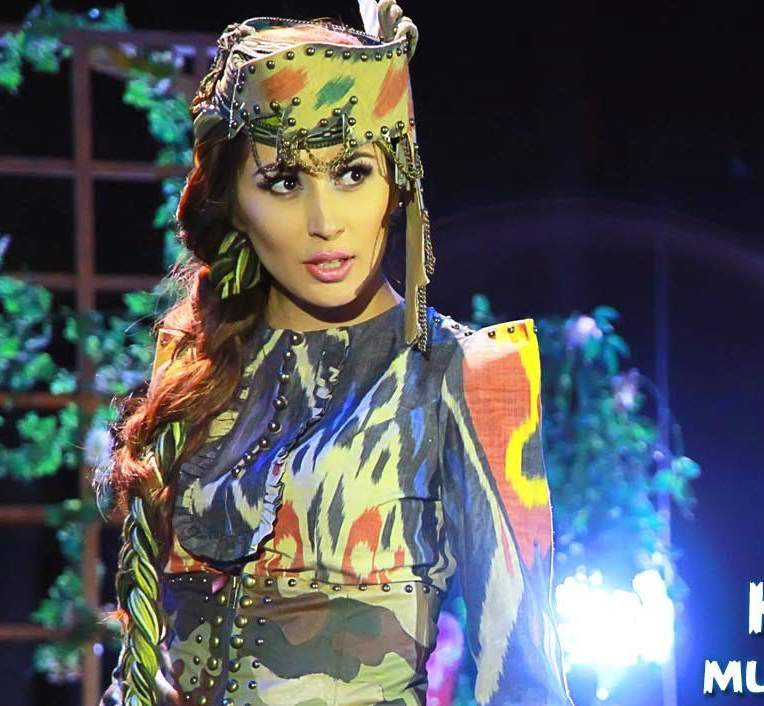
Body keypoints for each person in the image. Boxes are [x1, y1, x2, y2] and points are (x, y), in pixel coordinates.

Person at [94, 5, 573, 705]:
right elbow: (142, 660)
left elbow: (527, 683)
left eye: (352, 172)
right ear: (233, 200)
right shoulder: (199, 369)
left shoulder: (463, 376)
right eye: (284, 182)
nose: (325, 222)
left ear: (398, 181)